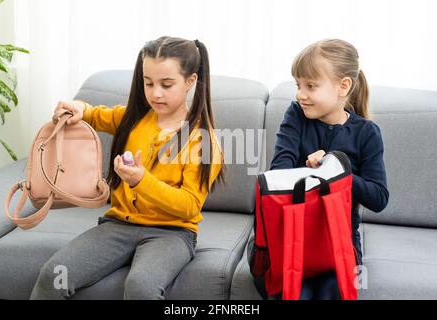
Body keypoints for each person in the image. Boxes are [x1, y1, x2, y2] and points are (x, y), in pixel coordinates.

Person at [31, 36, 224, 300]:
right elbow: (97, 115)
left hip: (171, 234)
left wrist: (141, 181)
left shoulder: (203, 140)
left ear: (190, 82)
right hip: (118, 226)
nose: (155, 93)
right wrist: (79, 108)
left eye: (167, 85)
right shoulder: (133, 118)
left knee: (141, 287)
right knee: (55, 276)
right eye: (148, 83)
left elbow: (189, 205)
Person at [259, 39, 389, 299]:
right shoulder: (296, 114)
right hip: (293, 232)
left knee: (335, 290)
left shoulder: (367, 133)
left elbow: (378, 198)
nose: (300, 94)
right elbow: (279, 173)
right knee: (296, 292)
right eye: (298, 85)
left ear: (343, 86)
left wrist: (335, 170)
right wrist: (312, 174)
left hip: (340, 238)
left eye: (311, 86)